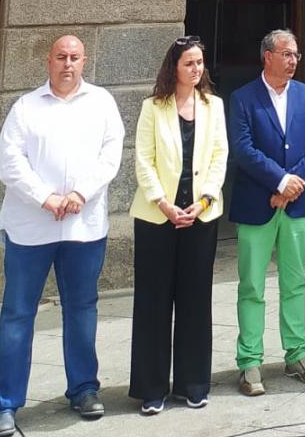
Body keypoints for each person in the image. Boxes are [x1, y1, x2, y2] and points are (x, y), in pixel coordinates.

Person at [0, 35, 124, 437]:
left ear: (85, 61)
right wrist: (46, 197)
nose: (67, 64)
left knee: (81, 309)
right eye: (61, 57)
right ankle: (5, 403)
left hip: (84, 225)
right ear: (48, 62)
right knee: (17, 314)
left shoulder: (101, 103)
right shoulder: (26, 107)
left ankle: (83, 388)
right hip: (31, 226)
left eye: (74, 57)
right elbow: (10, 162)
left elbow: (111, 155)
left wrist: (80, 193)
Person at [129, 37, 229, 414]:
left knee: (195, 301)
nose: (196, 69)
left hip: (201, 216)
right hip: (158, 217)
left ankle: (193, 383)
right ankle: (152, 388)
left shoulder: (213, 106)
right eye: (189, 63)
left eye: (200, 62)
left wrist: (204, 200)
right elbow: (143, 160)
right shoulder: (153, 107)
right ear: (174, 67)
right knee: (154, 302)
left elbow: (220, 155)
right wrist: (165, 204)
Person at [228, 29, 305, 398]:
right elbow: (242, 148)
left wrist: (293, 183)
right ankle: (250, 360)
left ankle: (297, 353)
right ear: (267, 56)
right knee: (252, 285)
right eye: (286, 54)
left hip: (297, 204)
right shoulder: (242, 98)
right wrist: (279, 180)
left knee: (295, 281)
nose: (293, 60)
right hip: (257, 204)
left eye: (296, 55)